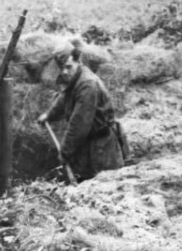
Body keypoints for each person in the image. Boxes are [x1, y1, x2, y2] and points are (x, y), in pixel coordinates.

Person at [38, 48, 125, 182]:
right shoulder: (75, 78)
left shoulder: (87, 85)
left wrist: (65, 151)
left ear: (78, 61)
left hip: (101, 147)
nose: (64, 72)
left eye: (68, 67)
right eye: (62, 68)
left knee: (103, 183)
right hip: (87, 144)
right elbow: (64, 98)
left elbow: (79, 124)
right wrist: (49, 115)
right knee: (85, 181)